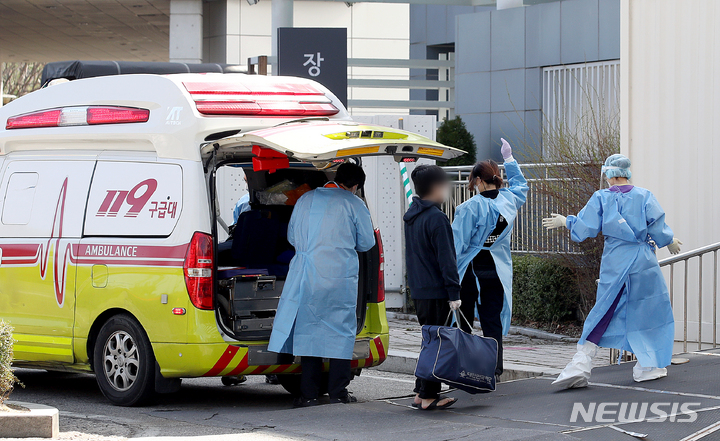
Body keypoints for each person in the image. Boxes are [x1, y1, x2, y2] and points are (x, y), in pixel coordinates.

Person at [543, 154, 682, 388]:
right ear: (627, 173)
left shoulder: (601, 198)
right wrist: (668, 240)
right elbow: (656, 225)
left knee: (604, 309)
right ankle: (648, 365)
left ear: (608, 174)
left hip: (616, 261)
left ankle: (582, 362)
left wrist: (566, 221)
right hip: (643, 262)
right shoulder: (644, 196)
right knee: (648, 310)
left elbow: (586, 225)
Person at [268, 163, 375, 407]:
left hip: (307, 274)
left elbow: (292, 237)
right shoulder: (354, 203)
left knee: (309, 331)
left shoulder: (306, 199)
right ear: (356, 186)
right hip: (339, 276)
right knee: (341, 332)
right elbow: (366, 242)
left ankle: (308, 395)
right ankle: (338, 393)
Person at [452, 139, 528, 378]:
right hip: (497, 269)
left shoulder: (468, 208)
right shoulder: (510, 200)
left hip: (470, 270)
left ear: (478, 181)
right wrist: (510, 159)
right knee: (491, 319)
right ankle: (494, 367)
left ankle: (463, 364)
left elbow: (457, 244)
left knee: (463, 322)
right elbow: (521, 185)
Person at [404, 164, 462, 411]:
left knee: (429, 341)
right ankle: (428, 396)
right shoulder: (437, 218)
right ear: (436, 187)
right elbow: (446, 259)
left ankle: (421, 391)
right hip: (437, 290)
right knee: (436, 343)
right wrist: (454, 293)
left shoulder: (412, 215)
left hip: (419, 289)